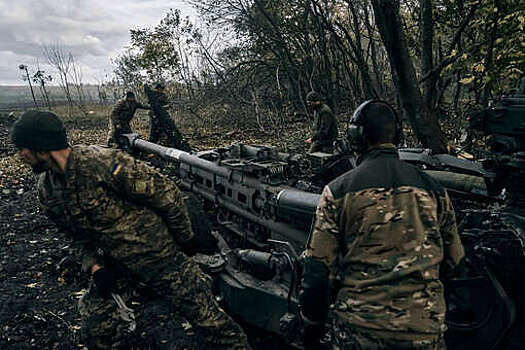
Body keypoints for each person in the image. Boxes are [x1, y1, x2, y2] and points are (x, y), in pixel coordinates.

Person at [11, 110, 250, 350]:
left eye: (23, 148)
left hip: (161, 259)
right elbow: (73, 237)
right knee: (96, 331)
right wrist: (95, 267)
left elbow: (166, 195)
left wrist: (186, 242)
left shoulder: (104, 164)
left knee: (214, 326)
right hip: (115, 267)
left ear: (42, 146)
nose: (20, 155)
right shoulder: (48, 190)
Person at [300, 100, 465, 349]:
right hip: (424, 331)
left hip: (360, 330)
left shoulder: (337, 191)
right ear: (397, 135)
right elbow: (456, 262)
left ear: (356, 137)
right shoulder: (435, 190)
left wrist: (311, 324)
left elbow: (317, 272)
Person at [147, 83, 191, 151]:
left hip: (162, 116)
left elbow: (166, 106)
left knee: (169, 130)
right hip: (155, 117)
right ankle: (151, 146)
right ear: (157, 88)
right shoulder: (153, 95)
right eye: (160, 88)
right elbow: (151, 105)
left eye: (162, 89)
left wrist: (166, 106)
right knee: (154, 132)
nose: (161, 90)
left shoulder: (163, 96)